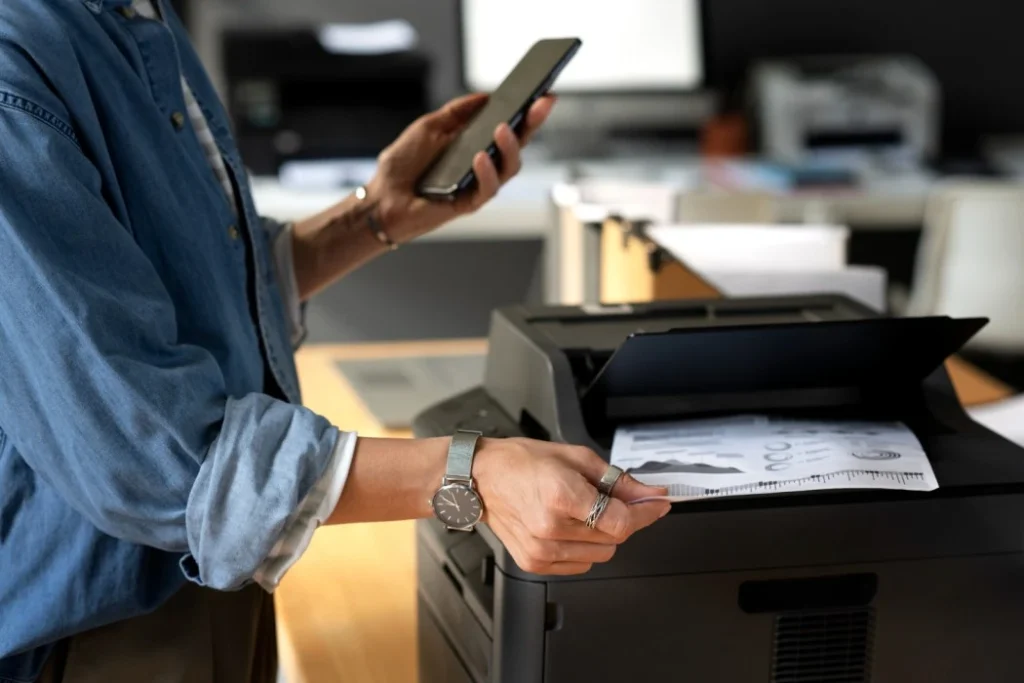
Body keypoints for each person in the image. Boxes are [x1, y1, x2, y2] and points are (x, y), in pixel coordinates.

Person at [0, 1, 673, 681]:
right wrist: (472, 473)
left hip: (216, 582)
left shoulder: (138, 18)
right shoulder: (14, 65)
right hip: (93, 635)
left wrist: (374, 215)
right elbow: (150, 450)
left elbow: (201, 285)